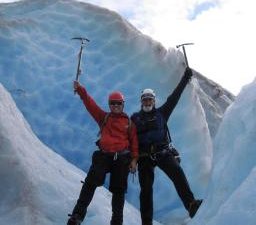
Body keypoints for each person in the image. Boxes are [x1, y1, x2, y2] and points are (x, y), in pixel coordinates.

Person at [131, 67, 202, 225]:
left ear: (154, 101)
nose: (147, 101)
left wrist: (185, 78)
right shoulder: (134, 118)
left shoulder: (162, 113)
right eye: (145, 99)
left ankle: (190, 204)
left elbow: (174, 98)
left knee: (177, 172)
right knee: (146, 191)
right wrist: (131, 158)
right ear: (141, 101)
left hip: (162, 153)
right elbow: (129, 138)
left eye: (150, 99)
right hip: (144, 158)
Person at [67, 81, 139, 225]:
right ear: (109, 105)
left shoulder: (130, 124)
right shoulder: (103, 117)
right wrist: (80, 90)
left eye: (118, 103)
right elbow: (90, 104)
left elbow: (135, 144)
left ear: (123, 104)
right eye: (113, 103)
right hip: (104, 156)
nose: (116, 106)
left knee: (118, 192)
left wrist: (134, 160)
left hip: (122, 158)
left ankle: (116, 222)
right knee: (90, 183)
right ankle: (77, 216)